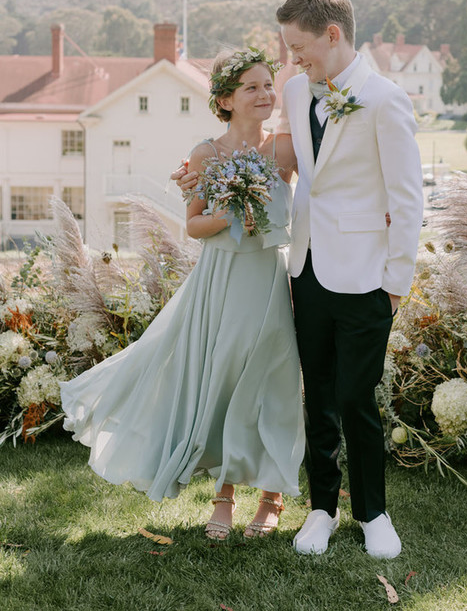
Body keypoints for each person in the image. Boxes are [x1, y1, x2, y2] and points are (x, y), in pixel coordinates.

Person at [60, 48, 304, 541]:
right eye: (251, 87)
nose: (264, 95)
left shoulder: (284, 149)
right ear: (225, 99)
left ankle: (273, 496)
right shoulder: (205, 155)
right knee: (223, 379)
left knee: (274, 380)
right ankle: (224, 494)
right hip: (221, 277)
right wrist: (234, 210)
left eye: (267, 85)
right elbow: (193, 225)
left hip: (269, 275)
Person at [273, 0, 424, 559]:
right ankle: (321, 509)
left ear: (332, 35)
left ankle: (373, 514)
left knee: (358, 398)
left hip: (367, 278)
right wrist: (216, 169)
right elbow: (287, 164)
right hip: (306, 268)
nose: (293, 59)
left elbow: (408, 200)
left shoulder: (385, 99)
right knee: (318, 396)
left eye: (299, 46)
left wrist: (395, 285)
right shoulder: (293, 91)